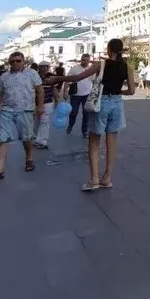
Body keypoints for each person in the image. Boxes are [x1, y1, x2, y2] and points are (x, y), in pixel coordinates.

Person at [64, 38, 136, 191]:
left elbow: (78, 78)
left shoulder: (101, 64)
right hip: (117, 104)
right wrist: (117, 92)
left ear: (109, 49)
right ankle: (107, 178)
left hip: (101, 103)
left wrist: (58, 78)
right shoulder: (127, 67)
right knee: (112, 143)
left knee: (94, 141)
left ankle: (94, 179)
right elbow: (131, 91)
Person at [0, 51, 44, 183]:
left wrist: (40, 106)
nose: (15, 63)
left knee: (27, 138)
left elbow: (40, 90)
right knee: (3, 139)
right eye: (12, 61)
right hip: (7, 111)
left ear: (23, 61)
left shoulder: (32, 74)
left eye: (18, 61)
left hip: (26, 110)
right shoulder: (4, 77)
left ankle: (29, 159)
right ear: (9, 63)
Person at [67, 54, 93, 137]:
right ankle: (71, 124)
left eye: (86, 60)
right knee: (73, 112)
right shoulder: (75, 68)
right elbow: (67, 79)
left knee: (86, 114)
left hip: (87, 94)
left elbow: (95, 81)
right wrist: (64, 91)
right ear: (81, 60)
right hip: (75, 95)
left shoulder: (91, 69)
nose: (84, 61)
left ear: (89, 61)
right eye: (83, 59)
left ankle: (84, 131)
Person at [33, 63, 55, 150]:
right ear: (39, 68)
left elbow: (54, 89)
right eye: (42, 67)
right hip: (36, 102)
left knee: (44, 121)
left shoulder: (51, 76)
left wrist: (56, 100)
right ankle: (34, 138)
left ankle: (42, 141)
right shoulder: (35, 76)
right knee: (36, 121)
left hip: (48, 102)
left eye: (46, 66)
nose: (44, 68)